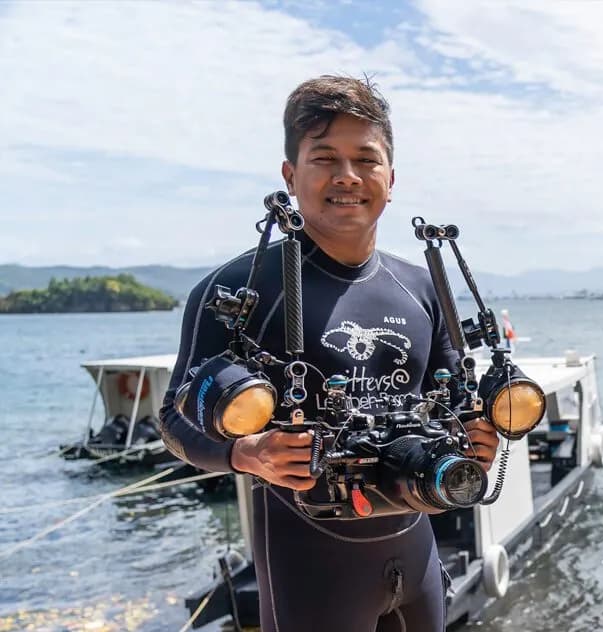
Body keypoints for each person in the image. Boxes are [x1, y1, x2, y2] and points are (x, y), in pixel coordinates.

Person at [157, 75, 500, 632]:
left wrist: (478, 437)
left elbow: (455, 402)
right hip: (311, 568)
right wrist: (247, 454)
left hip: (416, 556)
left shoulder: (421, 285)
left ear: (391, 179)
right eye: (325, 158)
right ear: (291, 176)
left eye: (367, 159)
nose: (348, 177)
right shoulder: (239, 291)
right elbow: (174, 417)